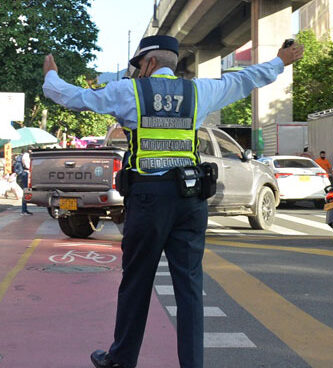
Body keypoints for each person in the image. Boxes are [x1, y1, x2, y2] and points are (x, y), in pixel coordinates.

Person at [42, 34, 303, 368]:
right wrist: (280, 61)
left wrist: (51, 74)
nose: (137, 73)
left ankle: (121, 360)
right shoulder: (199, 92)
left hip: (149, 199)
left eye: (139, 66)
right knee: (190, 287)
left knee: (137, 281)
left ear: (149, 62)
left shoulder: (129, 92)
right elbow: (244, 80)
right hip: (190, 198)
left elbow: (71, 96)